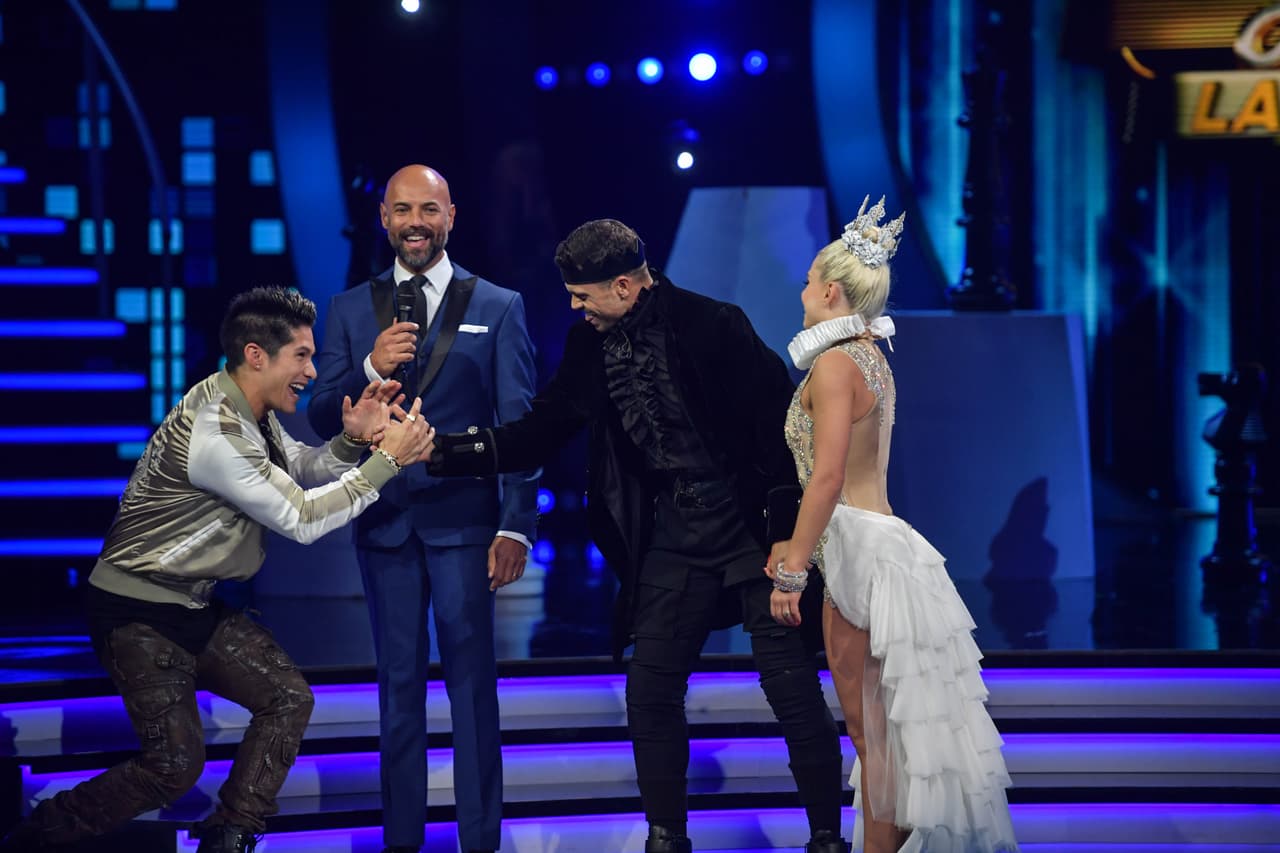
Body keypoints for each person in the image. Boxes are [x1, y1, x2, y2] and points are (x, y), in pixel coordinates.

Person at [429, 219, 849, 853]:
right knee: (649, 688)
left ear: (624, 285)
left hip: (751, 528)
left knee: (788, 684)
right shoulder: (588, 346)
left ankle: (825, 837)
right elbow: (541, 428)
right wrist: (442, 449)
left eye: (583, 294)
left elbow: (782, 434)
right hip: (675, 535)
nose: (575, 307)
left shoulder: (716, 325)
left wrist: (788, 542)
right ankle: (666, 839)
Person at [0, 287, 436, 853]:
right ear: (257, 355)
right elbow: (299, 519)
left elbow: (298, 468)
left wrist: (352, 442)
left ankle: (230, 837)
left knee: (287, 697)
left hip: (191, 604)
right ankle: (36, 837)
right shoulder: (217, 431)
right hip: (138, 611)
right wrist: (389, 461)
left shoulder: (244, 406)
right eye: (301, 356)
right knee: (173, 767)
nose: (311, 370)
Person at [768, 197, 1018, 852]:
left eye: (804, 281)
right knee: (888, 738)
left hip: (857, 552)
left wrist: (793, 570)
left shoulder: (833, 363)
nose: (799, 292)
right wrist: (795, 547)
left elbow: (825, 479)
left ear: (827, 289)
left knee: (874, 738)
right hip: (887, 546)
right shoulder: (873, 354)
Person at [307, 165, 538, 853]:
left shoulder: (498, 304)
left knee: (472, 692)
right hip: (386, 525)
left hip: (467, 526)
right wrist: (367, 370)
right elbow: (322, 414)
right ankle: (401, 841)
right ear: (383, 218)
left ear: (451, 216)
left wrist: (515, 522)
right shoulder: (350, 309)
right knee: (398, 692)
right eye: (402, 209)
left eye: (428, 209)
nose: (415, 221)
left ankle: (480, 842)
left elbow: (518, 423)